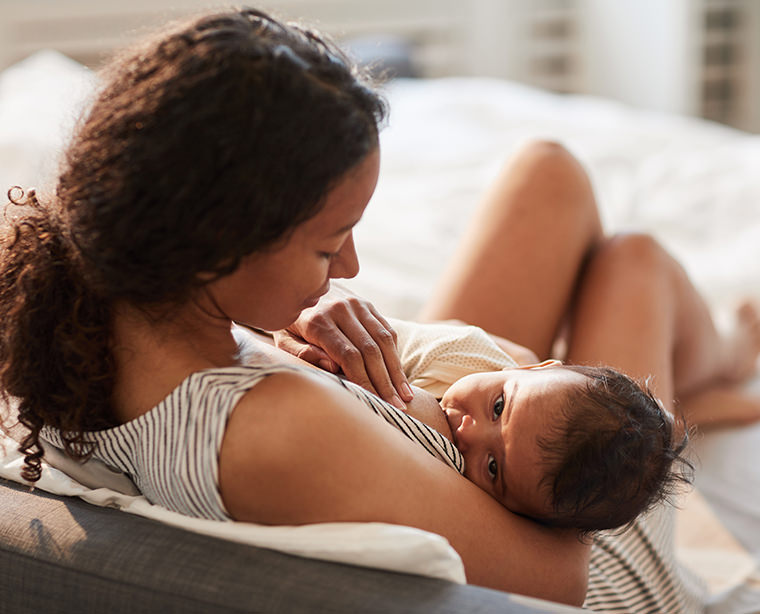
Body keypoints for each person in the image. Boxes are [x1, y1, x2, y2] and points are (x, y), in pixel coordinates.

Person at [0, 7, 758, 612]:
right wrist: (524, 380)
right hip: (588, 536)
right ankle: (717, 368)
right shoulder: (276, 429)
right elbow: (557, 579)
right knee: (635, 262)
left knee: (549, 175)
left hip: (447, 434)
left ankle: (703, 373)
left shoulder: (91, 298)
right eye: (329, 247)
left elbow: (355, 411)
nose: (352, 269)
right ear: (218, 247)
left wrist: (290, 328)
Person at [379, 317, 689, 534]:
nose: (466, 432)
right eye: (498, 407)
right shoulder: (460, 351)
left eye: (492, 468)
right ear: (532, 367)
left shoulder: (515, 510)